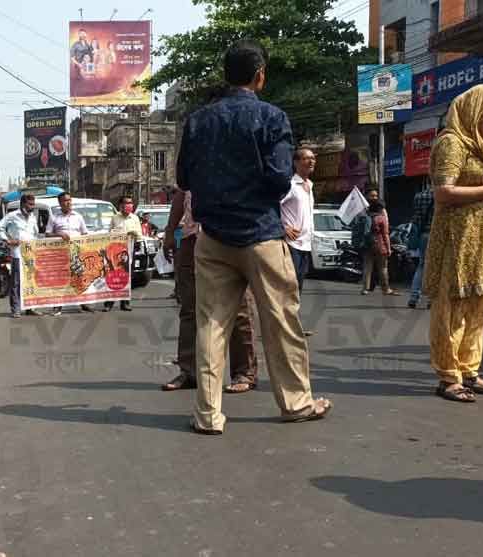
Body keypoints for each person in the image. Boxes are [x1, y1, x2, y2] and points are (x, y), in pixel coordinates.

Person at [176, 39, 331, 434]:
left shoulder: (198, 121)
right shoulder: (272, 118)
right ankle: (296, 403)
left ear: (225, 74)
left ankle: (208, 415)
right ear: (260, 75)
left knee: (211, 325)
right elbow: (282, 178)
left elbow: (183, 179)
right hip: (262, 234)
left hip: (212, 239)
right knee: (281, 322)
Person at [424, 84, 483, 403]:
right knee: (451, 306)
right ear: (474, 112)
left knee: (479, 304)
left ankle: (470, 370)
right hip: (455, 236)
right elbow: (443, 193)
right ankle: (448, 376)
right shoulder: (452, 143)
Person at [161, 189, 259, 393]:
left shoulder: (241, 158)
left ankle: (244, 372)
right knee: (189, 308)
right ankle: (189, 372)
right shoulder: (192, 158)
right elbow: (181, 193)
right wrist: (170, 232)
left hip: (230, 236)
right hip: (190, 237)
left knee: (239, 308)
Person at [45, 192, 92, 315]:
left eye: (70, 200)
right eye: (65, 201)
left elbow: (85, 234)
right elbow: (47, 234)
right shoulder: (54, 217)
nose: (69, 202)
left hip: (77, 253)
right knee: (60, 280)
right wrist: (59, 234)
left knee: (79, 277)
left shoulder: (78, 216)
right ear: (60, 203)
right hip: (60, 254)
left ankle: (83, 303)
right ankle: (58, 306)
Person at [0, 194, 40, 318]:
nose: (32, 207)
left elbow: (35, 234)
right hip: (17, 254)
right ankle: (16, 309)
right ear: (23, 204)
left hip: (31, 254)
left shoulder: (33, 217)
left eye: (33, 204)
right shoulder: (12, 216)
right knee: (16, 282)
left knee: (30, 282)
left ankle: (30, 308)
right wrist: (8, 240)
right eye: (30, 204)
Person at [282, 148, 316, 293]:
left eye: (313, 158)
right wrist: (283, 227)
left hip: (306, 243)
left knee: (299, 286)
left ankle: (293, 315)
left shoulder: (310, 185)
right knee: (290, 286)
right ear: (296, 162)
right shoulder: (290, 184)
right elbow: (271, 205)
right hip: (292, 244)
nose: (311, 161)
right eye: (306, 158)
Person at [352, 189, 395, 295]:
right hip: (380, 244)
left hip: (367, 243)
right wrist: (389, 248)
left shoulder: (365, 215)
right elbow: (385, 234)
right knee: (383, 267)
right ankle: (386, 289)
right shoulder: (381, 218)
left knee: (367, 266)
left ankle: (365, 289)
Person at [104, 195, 141, 312]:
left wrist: (134, 235)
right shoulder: (115, 218)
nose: (129, 205)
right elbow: (110, 233)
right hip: (116, 251)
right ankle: (109, 303)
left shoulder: (135, 218)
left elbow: (139, 236)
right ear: (120, 205)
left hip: (130, 250)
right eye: (126, 203)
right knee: (114, 276)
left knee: (127, 276)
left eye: (130, 203)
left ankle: (125, 303)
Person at [408, 183, 434, 309]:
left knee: (422, 265)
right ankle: (431, 299)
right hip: (436, 234)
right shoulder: (441, 195)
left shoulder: (419, 196)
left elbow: (416, 218)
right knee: (436, 267)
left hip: (422, 235)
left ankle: (414, 297)